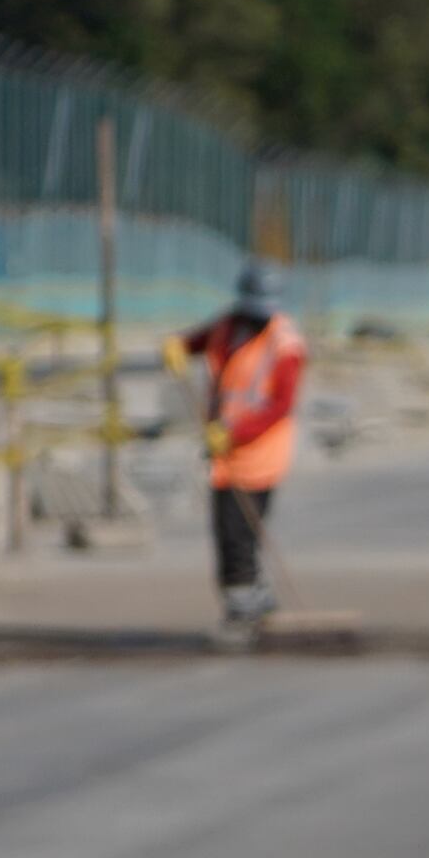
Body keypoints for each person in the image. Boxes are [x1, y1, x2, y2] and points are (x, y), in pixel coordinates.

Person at [180, 260, 304, 634]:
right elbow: (199, 342)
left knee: (237, 532)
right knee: (231, 531)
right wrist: (178, 347)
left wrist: (235, 432)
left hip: (259, 453)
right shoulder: (229, 326)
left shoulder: (286, 346)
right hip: (226, 452)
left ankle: (242, 605)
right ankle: (252, 597)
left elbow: (280, 405)